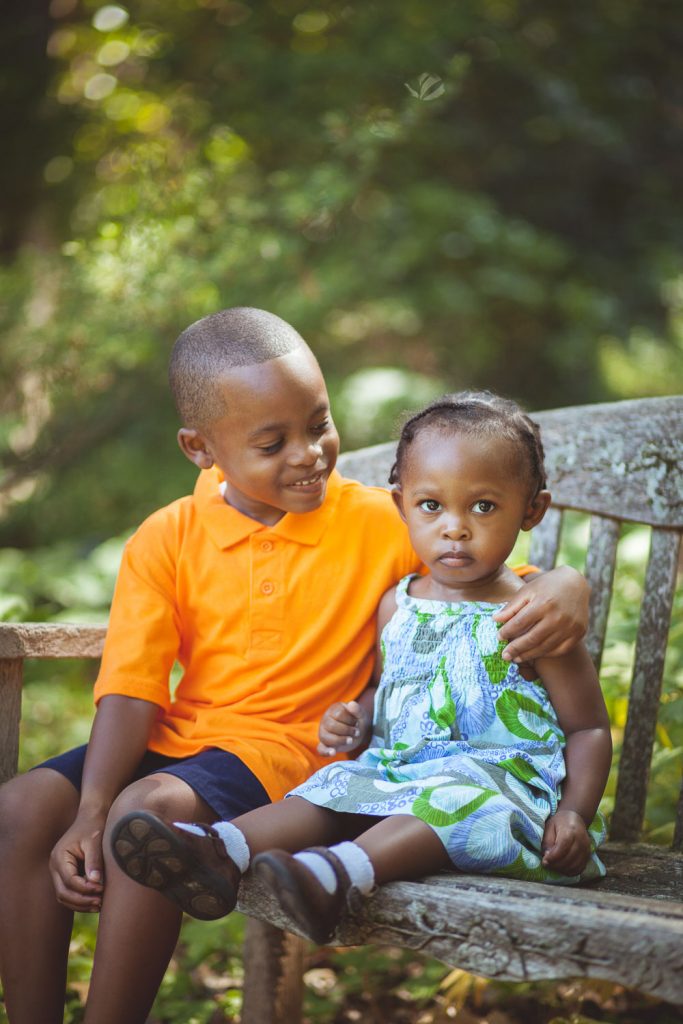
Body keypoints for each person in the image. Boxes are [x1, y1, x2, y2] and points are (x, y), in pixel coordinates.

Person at [0, 310, 590, 1024]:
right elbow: (131, 690)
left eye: (318, 424)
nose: (309, 454)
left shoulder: (381, 519)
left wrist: (568, 584)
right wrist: (85, 813)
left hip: (290, 753)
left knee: (143, 811)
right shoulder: (167, 538)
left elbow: (494, 572)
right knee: (25, 807)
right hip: (186, 739)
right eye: (272, 442)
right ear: (200, 447)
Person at [110, 390, 612, 947]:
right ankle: (219, 849)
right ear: (401, 506)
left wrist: (575, 814)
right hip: (400, 775)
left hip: (498, 796)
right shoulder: (398, 603)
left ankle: (336, 877)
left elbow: (587, 728)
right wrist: (355, 716)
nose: (455, 528)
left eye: (484, 507)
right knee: (331, 786)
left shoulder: (531, 617)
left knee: (447, 799)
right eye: (431, 506)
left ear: (532, 511)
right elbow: (385, 687)